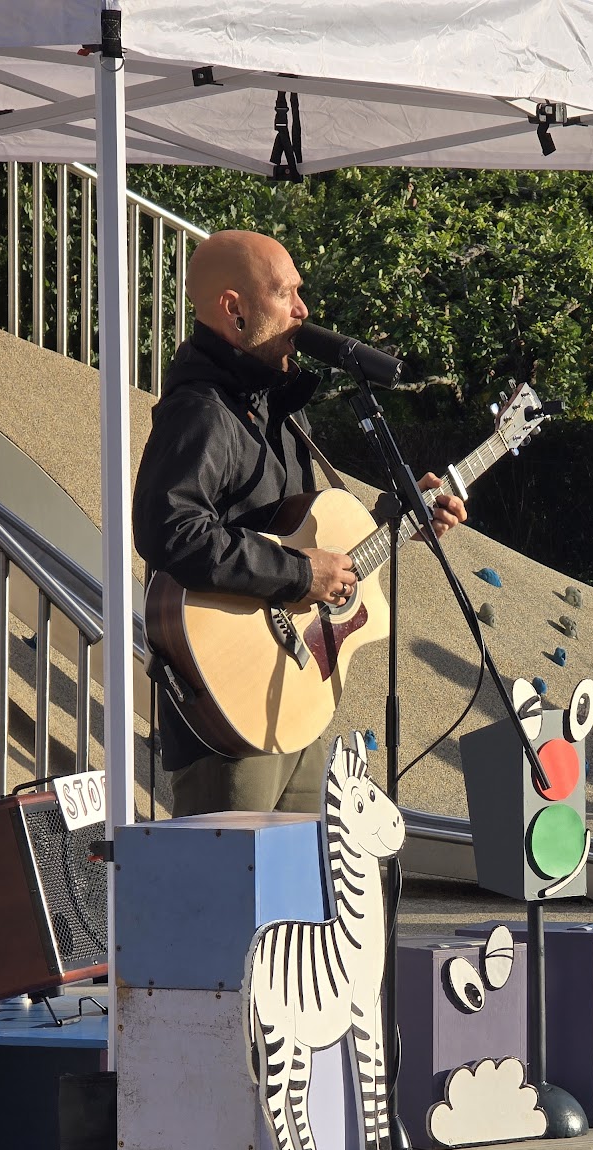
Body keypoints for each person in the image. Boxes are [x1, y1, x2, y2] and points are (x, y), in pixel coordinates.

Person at [133, 229, 466, 818]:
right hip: (229, 718)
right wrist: (298, 575)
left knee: (303, 878)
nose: (303, 310)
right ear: (234, 309)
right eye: (285, 293)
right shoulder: (201, 411)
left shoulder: (275, 409)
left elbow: (302, 532)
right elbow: (170, 529)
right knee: (233, 878)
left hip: (294, 694)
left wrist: (397, 519)